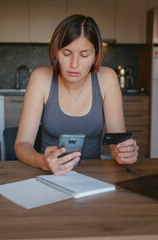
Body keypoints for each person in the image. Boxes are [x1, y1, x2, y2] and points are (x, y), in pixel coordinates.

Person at [15, 14, 139, 175]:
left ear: (95, 56)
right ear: (56, 52)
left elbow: (117, 143)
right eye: (66, 53)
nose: (74, 64)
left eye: (84, 55)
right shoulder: (40, 78)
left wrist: (122, 152)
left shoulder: (107, 78)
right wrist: (43, 162)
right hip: (47, 174)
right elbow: (22, 144)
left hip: (94, 176)